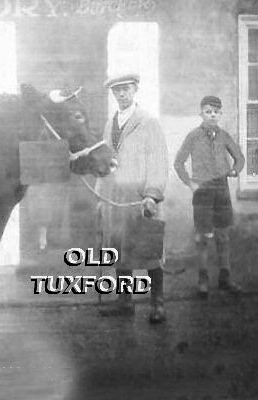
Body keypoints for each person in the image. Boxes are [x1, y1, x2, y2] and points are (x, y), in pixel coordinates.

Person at [95, 72, 169, 324]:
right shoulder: (110, 123)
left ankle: (157, 303)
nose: (121, 94)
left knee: (148, 249)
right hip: (114, 198)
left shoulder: (148, 121)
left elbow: (158, 161)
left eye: (125, 89)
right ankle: (125, 302)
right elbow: (105, 161)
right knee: (119, 248)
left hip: (140, 197)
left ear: (135, 89)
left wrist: (152, 195)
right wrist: (99, 194)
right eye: (116, 91)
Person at [174, 95, 245, 297]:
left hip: (222, 188)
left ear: (220, 114)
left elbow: (239, 157)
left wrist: (235, 170)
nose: (212, 115)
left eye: (216, 112)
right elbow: (178, 162)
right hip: (202, 190)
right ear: (201, 114)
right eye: (208, 111)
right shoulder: (193, 136)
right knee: (202, 237)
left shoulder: (224, 136)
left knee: (223, 235)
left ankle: (225, 278)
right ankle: (203, 280)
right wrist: (190, 183)